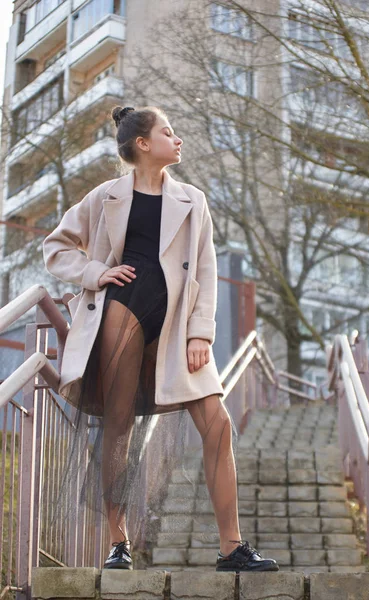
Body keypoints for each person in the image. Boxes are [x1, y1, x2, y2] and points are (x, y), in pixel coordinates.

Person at [42, 104, 279, 573]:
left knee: (217, 424)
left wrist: (200, 333)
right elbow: (56, 246)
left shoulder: (194, 199)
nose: (179, 139)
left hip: (177, 326)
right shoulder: (104, 196)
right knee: (119, 427)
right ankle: (118, 543)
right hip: (121, 312)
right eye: (169, 132)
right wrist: (97, 272)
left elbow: (206, 272)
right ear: (144, 144)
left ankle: (231, 548)